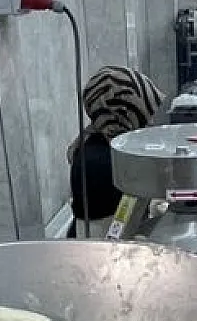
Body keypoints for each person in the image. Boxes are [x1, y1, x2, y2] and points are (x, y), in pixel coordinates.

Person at [69, 66, 164, 230]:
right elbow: (116, 230)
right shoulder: (103, 162)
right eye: (145, 116)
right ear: (125, 113)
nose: (151, 123)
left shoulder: (95, 141)